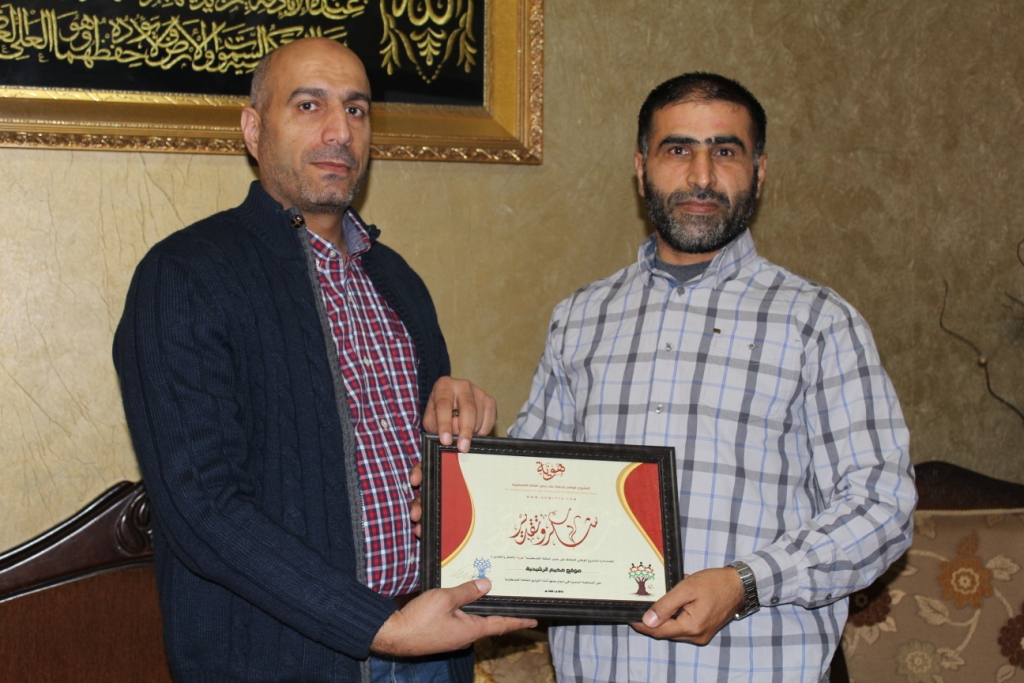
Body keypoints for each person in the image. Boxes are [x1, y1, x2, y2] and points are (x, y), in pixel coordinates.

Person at [113, 38, 534, 683]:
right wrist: (377, 627)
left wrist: (457, 439)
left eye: (356, 110)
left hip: (434, 646)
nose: (340, 131)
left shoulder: (397, 280)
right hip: (283, 662)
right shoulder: (185, 275)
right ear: (253, 129)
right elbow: (201, 506)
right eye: (309, 106)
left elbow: (425, 478)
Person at [508, 72, 916, 682]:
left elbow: (882, 507)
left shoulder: (819, 322)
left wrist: (744, 583)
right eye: (678, 150)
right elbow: (533, 484)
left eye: (725, 151)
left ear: (759, 171)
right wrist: (457, 485)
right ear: (641, 168)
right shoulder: (580, 318)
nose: (701, 176)